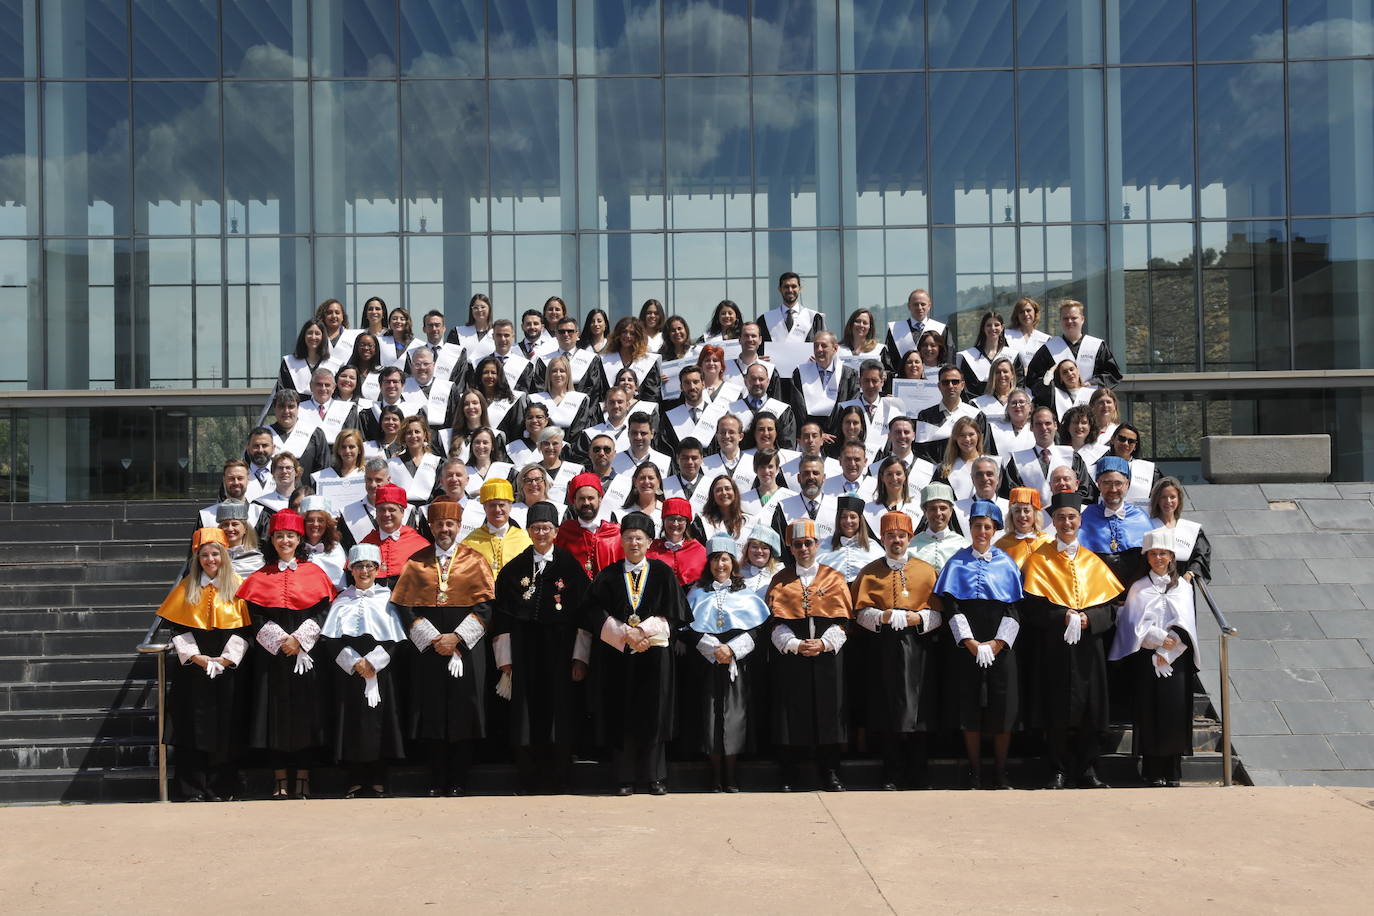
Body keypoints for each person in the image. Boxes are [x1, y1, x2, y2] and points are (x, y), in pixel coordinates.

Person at [390, 497, 496, 796]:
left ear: (459, 526)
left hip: (466, 650)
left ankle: (460, 779)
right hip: (429, 651)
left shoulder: (475, 560)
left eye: (450, 524)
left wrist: (457, 638)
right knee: (432, 713)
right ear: (431, 526)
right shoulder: (416, 561)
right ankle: (435, 778)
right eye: (439, 524)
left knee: (464, 713)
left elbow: (486, 606)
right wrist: (435, 639)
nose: (444, 529)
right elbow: (406, 608)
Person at [580, 512, 691, 796]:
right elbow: (592, 610)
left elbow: (676, 613)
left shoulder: (664, 573)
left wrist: (643, 633)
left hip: (654, 656)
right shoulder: (608, 574)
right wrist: (622, 634)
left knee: (653, 715)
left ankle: (655, 777)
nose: (633, 543)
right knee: (622, 714)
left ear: (649, 542)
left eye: (638, 538)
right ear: (621, 540)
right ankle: (624, 777)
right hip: (618, 657)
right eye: (628, 537)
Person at [1021, 491, 1124, 789]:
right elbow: (1032, 606)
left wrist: (1089, 619)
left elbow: (1109, 609)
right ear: (1053, 521)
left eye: (1072, 517)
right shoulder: (1039, 559)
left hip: (1088, 649)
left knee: (1091, 710)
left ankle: (1088, 768)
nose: (1067, 522)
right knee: (1056, 708)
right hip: (1055, 646)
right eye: (1061, 518)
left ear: (1080, 521)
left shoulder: (1093, 561)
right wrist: (1061, 617)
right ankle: (1058, 769)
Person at [490, 501, 592, 794]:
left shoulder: (569, 567)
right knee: (525, 714)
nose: (541, 533)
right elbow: (503, 618)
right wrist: (504, 662)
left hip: (560, 653)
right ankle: (527, 779)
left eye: (547, 528)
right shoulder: (514, 570)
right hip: (524, 653)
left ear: (556, 531)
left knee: (560, 713)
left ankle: (560, 778)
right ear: (529, 531)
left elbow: (584, 615)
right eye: (536, 528)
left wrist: (580, 658)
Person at [236, 510, 337, 799]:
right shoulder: (260, 577)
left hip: (305, 655)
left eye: (290, 536)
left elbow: (322, 611)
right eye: (279, 536)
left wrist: (300, 639)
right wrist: (281, 640)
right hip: (272, 656)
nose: (285, 541)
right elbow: (253, 614)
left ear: (299, 539)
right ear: (272, 539)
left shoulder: (314, 573)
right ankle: (279, 777)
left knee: (306, 714)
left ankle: (303, 777)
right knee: (274, 715)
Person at [156, 528, 251, 802]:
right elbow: (176, 629)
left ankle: (223, 787)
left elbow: (245, 630)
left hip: (227, 669)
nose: (210, 559)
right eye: (204, 555)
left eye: (215, 554)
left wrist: (225, 659)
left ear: (223, 556)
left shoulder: (238, 586)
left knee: (226, 727)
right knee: (191, 727)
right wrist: (197, 658)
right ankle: (191, 788)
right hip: (193, 671)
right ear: (197, 559)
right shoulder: (186, 588)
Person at [935, 501, 1025, 789]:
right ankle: (975, 771)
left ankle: (1000, 771)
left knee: (1003, 706)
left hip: (1001, 645)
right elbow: (951, 605)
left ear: (996, 529)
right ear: (970, 528)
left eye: (987, 527)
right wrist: (970, 642)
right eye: (977, 526)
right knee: (969, 707)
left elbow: (1014, 608)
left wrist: (998, 643)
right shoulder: (956, 562)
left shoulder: (1006, 563)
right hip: (967, 645)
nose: (982, 532)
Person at [851, 511, 943, 790]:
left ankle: (919, 772)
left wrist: (920, 619)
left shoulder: (926, 570)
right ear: (882, 539)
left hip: (918, 648)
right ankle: (891, 772)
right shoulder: (869, 572)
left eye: (901, 536)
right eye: (890, 536)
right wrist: (881, 617)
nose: (896, 540)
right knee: (887, 710)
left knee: (920, 710)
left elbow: (939, 613)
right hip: (884, 648)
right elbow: (859, 613)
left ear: (910, 538)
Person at [766, 518, 854, 791]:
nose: (803, 548)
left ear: (817, 545)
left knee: (829, 712)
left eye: (808, 543)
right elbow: (774, 622)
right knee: (791, 714)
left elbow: (844, 620)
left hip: (827, 655)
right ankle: (790, 774)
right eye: (797, 544)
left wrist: (825, 643)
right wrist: (794, 643)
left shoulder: (834, 577)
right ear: (790, 548)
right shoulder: (780, 579)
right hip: (793, 655)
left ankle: (830, 772)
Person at [1109, 528, 1201, 788]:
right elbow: (1130, 622)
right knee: (1149, 711)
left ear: (1172, 556)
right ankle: (1151, 769)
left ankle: (1172, 769)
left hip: (1176, 657)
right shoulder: (1139, 587)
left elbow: (1187, 621)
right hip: (1146, 656)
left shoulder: (1182, 587)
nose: (1158, 558)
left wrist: (1170, 647)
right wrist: (1157, 639)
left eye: (1163, 553)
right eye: (1153, 554)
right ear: (1147, 557)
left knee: (1174, 710)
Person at [680, 535, 771, 792]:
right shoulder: (697, 591)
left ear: (732, 562)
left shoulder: (746, 593)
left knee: (734, 718)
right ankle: (714, 775)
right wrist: (712, 648)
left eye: (724, 559)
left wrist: (731, 650)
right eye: (715, 560)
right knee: (709, 718)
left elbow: (759, 629)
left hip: (735, 663)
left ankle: (731, 775)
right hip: (707, 663)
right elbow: (686, 627)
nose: (720, 565)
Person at [320, 544, 407, 799]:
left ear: (377, 570)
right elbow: (331, 639)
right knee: (352, 721)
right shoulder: (342, 599)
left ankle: (379, 777)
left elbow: (395, 640)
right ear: (351, 569)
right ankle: (355, 778)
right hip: (350, 670)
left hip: (380, 669)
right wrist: (354, 661)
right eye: (359, 566)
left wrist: (374, 663)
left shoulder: (387, 598)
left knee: (379, 721)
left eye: (369, 566)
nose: (364, 571)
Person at [1079, 455, 1153, 585]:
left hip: (1135, 592)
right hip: (1097, 591)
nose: (1113, 489)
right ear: (1098, 484)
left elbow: (1150, 562)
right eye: (1107, 483)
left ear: (1127, 484)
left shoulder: (1140, 517)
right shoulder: (1086, 517)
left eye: (1118, 483)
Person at [1024, 298, 1123, 390]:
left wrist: (1092, 382)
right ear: (1060, 320)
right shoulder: (1048, 348)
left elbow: (1113, 375)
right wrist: (1053, 389)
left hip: (1091, 402)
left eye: (1074, 318)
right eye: (1065, 318)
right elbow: (1033, 378)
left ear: (1082, 319)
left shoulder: (1097, 346)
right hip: (1060, 404)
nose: (1069, 321)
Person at [1006, 406, 1091, 505]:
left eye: (1048, 423)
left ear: (1055, 425)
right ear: (1031, 427)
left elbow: (1084, 491)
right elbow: (1011, 493)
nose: (1043, 428)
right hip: (1031, 517)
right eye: (1038, 424)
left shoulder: (1072, 457)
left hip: (1065, 517)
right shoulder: (1017, 461)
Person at [360, 483, 430, 587]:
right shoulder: (365, 544)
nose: (386, 514)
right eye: (382, 510)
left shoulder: (420, 545)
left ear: (402, 512)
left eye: (391, 509)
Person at [915, 364, 987, 464]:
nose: (950, 386)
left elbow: (983, 447)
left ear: (962, 385)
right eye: (945, 382)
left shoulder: (976, 415)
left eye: (955, 382)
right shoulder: (925, 416)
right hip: (936, 474)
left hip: (969, 472)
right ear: (939, 386)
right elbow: (921, 451)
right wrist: (939, 471)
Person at [557, 472, 625, 577]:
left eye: (591, 498)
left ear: (600, 499)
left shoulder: (616, 534)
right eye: (581, 498)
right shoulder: (564, 532)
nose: (586, 503)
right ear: (574, 501)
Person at [789, 331, 858, 432]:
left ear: (835, 348)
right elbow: (798, 407)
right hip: (810, 436)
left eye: (824, 346)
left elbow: (851, 407)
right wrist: (817, 433)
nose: (819, 349)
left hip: (839, 436)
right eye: (816, 346)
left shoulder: (848, 374)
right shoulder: (800, 373)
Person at [462, 478, 532, 578]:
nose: (497, 510)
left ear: (510, 506)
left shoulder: (525, 539)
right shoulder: (470, 542)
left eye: (501, 505)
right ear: (484, 508)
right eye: (492, 505)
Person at [1149, 477, 1211, 583]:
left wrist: (1191, 572)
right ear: (1157, 499)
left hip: (1182, 586)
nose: (1168, 501)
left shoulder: (1191, 530)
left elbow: (1201, 555)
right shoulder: (1147, 527)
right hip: (1152, 585)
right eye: (1163, 497)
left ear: (1179, 499)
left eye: (1172, 497)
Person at [838, 359, 906, 458]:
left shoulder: (893, 409)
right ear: (859, 381)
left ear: (882, 382)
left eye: (874, 381)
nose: (870, 385)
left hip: (884, 463)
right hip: (853, 461)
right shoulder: (846, 408)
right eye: (866, 380)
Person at [882, 288, 953, 373]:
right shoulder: (895, 329)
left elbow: (949, 357)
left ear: (929, 306)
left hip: (934, 379)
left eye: (923, 304)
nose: (919, 308)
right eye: (915, 304)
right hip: (904, 381)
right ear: (909, 306)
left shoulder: (941, 329)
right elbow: (888, 360)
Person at [729, 362, 797, 448]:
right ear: (745, 381)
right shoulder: (731, 411)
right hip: (740, 460)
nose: (757, 383)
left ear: (768, 382)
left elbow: (788, 446)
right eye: (753, 379)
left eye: (761, 379)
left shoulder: (783, 411)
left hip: (773, 460)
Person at [818, 495, 884, 579]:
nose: (848, 521)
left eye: (853, 517)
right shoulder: (825, 545)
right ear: (838, 519)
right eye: (844, 517)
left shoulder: (873, 548)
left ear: (860, 520)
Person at [911, 482, 970, 572]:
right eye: (933, 508)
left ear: (951, 511)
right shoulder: (911, 546)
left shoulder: (963, 546)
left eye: (943, 508)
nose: (938, 513)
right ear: (924, 511)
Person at [268, 389, 328, 478]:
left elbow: (323, 470)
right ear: (274, 408)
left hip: (307, 490)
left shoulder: (315, 434)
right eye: (281, 406)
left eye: (291, 406)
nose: (286, 411)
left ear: (298, 408)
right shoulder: (263, 436)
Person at [648, 497, 707, 588]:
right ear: (664, 521)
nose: (675, 524)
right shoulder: (651, 549)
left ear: (687, 523)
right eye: (671, 519)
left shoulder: (699, 551)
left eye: (680, 520)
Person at [601, 316, 662, 404]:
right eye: (624, 332)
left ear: (638, 336)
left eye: (632, 333)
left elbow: (651, 395)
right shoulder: (605, 360)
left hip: (639, 413)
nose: (627, 336)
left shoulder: (647, 362)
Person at [864, 455, 924, 544]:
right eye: (889, 474)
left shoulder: (918, 509)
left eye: (898, 473)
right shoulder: (867, 511)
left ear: (905, 476)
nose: (894, 478)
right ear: (882, 477)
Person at [956, 311, 1017, 398]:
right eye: (988, 325)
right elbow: (967, 388)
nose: (993, 328)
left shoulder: (1012, 355)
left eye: (996, 325)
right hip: (978, 405)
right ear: (983, 328)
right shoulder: (968, 356)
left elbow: (1019, 383)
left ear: (1002, 327)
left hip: (1008, 404)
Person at [1099, 421, 1159, 508]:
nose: (1125, 443)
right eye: (1122, 439)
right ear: (1112, 439)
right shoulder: (1097, 466)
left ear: (1135, 446)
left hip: (1138, 518)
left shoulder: (1149, 471)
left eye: (1131, 441)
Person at [758, 271, 823, 343]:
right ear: (780, 289)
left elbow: (823, 345)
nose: (790, 290)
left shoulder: (814, 318)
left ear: (800, 288)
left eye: (794, 286)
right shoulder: (765, 319)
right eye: (786, 287)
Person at [199, 459, 264, 530]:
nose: (236, 482)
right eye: (231, 478)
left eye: (240, 478)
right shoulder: (205, 517)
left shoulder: (259, 514)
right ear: (224, 480)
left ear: (248, 480)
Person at [996, 487, 1053, 567]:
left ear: (1035, 514)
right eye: (1017, 511)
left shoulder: (1048, 542)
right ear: (1011, 515)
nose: (1022, 515)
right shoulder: (1001, 546)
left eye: (1026, 511)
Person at [278, 318, 336, 397]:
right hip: (296, 407)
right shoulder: (289, 362)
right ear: (303, 336)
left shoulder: (334, 364)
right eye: (309, 333)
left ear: (323, 337)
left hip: (325, 408)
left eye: (317, 333)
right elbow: (283, 391)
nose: (313, 337)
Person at [300, 495, 347, 588]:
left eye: (321, 520)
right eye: (310, 520)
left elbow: (340, 586)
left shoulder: (336, 550)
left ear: (327, 524)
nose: (315, 524)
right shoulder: (295, 547)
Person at [217, 500, 265, 577]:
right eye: (225, 524)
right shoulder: (214, 556)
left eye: (235, 524)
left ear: (245, 528)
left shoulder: (255, 559)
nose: (230, 529)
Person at [987, 386, 1035, 460]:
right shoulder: (993, 429)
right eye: (1013, 403)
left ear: (1030, 407)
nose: (1017, 406)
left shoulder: (1037, 429)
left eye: (1021, 402)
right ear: (1007, 408)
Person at [1005, 295, 1050, 374]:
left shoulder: (1045, 339)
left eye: (1028, 310)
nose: (1025, 314)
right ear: (1017, 315)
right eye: (1021, 312)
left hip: (1035, 383)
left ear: (1035, 313)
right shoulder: (1006, 335)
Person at [449, 292, 496, 360]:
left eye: (483, 307)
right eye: (475, 308)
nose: (479, 310)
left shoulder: (497, 333)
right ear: (471, 311)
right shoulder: (457, 332)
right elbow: (451, 357)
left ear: (489, 309)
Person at [973, 356, 1019, 424]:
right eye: (997, 372)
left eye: (1005, 371)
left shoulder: (1023, 400)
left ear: (1012, 375)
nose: (1002, 375)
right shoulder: (978, 404)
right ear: (992, 375)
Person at [740, 525, 782, 597]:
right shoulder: (736, 572)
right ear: (747, 549)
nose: (759, 551)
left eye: (764, 548)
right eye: (754, 546)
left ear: (771, 552)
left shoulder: (780, 573)